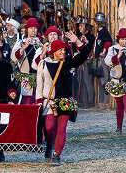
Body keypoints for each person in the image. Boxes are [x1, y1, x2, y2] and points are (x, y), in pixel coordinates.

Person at [36, 34, 89, 166]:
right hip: (49, 102)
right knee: (48, 128)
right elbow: (39, 84)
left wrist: (77, 41)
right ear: (53, 52)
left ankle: (57, 155)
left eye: (64, 50)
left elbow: (84, 55)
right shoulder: (43, 64)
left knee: (61, 128)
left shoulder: (68, 62)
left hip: (65, 102)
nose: (63, 52)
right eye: (60, 50)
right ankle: (49, 144)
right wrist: (39, 102)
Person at [104, 28, 126, 135]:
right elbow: (107, 62)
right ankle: (119, 127)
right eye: (122, 39)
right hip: (117, 81)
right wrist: (118, 56)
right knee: (119, 105)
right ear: (118, 39)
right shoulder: (113, 49)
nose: (124, 41)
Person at [11, 18, 43, 104]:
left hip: (38, 78)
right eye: (31, 28)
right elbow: (14, 57)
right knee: (26, 102)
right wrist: (24, 47)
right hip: (25, 77)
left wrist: (41, 46)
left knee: (38, 102)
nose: (33, 30)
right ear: (27, 30)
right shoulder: (20, 42)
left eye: (35, 28)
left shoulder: (40, 43)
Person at [73, 16, 96, 108]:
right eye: (79, 26)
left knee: (87, 81)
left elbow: (90, 48)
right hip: (79, 60)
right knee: (80, 81)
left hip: (87, 60)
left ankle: (90, 101)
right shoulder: (78, 37)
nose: (80, 28)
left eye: (82, 26)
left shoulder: (90, 37)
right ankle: (83, 100)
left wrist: (86, 42)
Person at [93, 12, 113, 107]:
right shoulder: (99, 33)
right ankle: (101, 101)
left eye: (95, 22)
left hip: (102, 59)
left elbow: (108, 43)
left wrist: (103, 52)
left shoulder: (104, 32)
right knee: (100, 80)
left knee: (104, 80)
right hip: (98, 58)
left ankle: (105, 101)